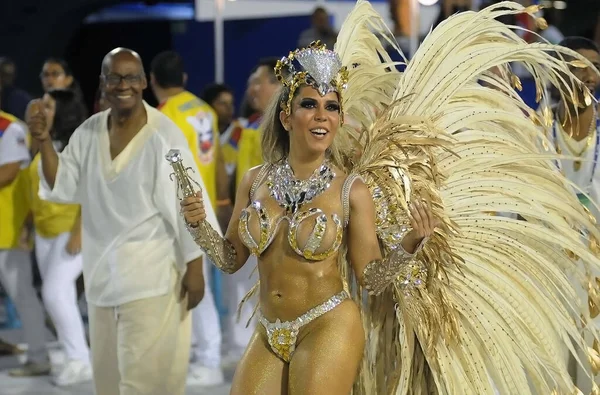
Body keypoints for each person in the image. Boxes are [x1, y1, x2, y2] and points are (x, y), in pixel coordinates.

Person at [180, 1, 600, 394]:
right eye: (310, 104)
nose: (322, 115)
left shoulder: (350, 190)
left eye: (331, 106)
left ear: (341, 119)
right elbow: (232, 259)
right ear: (287, 115)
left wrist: (408, 246)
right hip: (269, 332)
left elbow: (371, 280)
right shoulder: (255, 181)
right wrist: (199, 224)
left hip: (327, 324)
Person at [29, 47, 219, 395]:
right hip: (102, 281)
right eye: (114, 77)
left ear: (145, 82)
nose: (123, 84)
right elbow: (61, 184)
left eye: (131, 76)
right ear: (102, 83)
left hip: (153, 281)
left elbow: (188, 206)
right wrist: (42, 141)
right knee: (109, 383)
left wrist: (194, 268)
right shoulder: (88, 133)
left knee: (143, 385)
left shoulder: (165, 135)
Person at [149, 50, 225, 387]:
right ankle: (201, 353)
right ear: (184, 79)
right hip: (204, 202)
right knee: (195, 283)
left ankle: (208, 357)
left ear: (153, 81)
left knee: (195, 284)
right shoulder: (205, 109)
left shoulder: (162, 115)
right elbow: (218, 158)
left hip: (183, 207)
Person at [546, 36, 600, 393]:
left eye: (593, 70)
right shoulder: (535, 133)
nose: (587, 76)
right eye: (577, 68)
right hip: (553, 272)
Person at [27, 89, 91, 386]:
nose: (43, 110)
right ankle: (72, 356)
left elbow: (91, 188)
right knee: (59, 296)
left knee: (54, 291)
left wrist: (81, 228)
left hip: (71, 228)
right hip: (44, 231)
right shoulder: (41, 143)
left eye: (49, 106)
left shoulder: (77, 143)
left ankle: (80, 360)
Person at [0, 98, 49, 377]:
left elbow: (8, 172)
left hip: (7, 226)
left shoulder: (10, 128)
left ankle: (39, 355)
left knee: (22, 294)